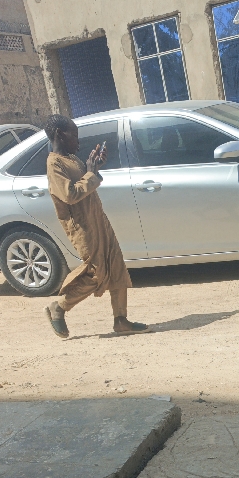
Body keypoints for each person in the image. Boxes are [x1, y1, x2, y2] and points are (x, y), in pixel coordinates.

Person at [43, 114, 148, 338]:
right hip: (83, 227)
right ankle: (59, 307)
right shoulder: (54, 164)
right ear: (60, 134)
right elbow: (70, 195)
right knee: (96, 272)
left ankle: (121, 320)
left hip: (98, 219)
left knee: (115, 264)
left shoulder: (72, 158)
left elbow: (87, 183)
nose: (78, 141)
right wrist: (91, 173)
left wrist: (95, 167)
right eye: (74, 135)